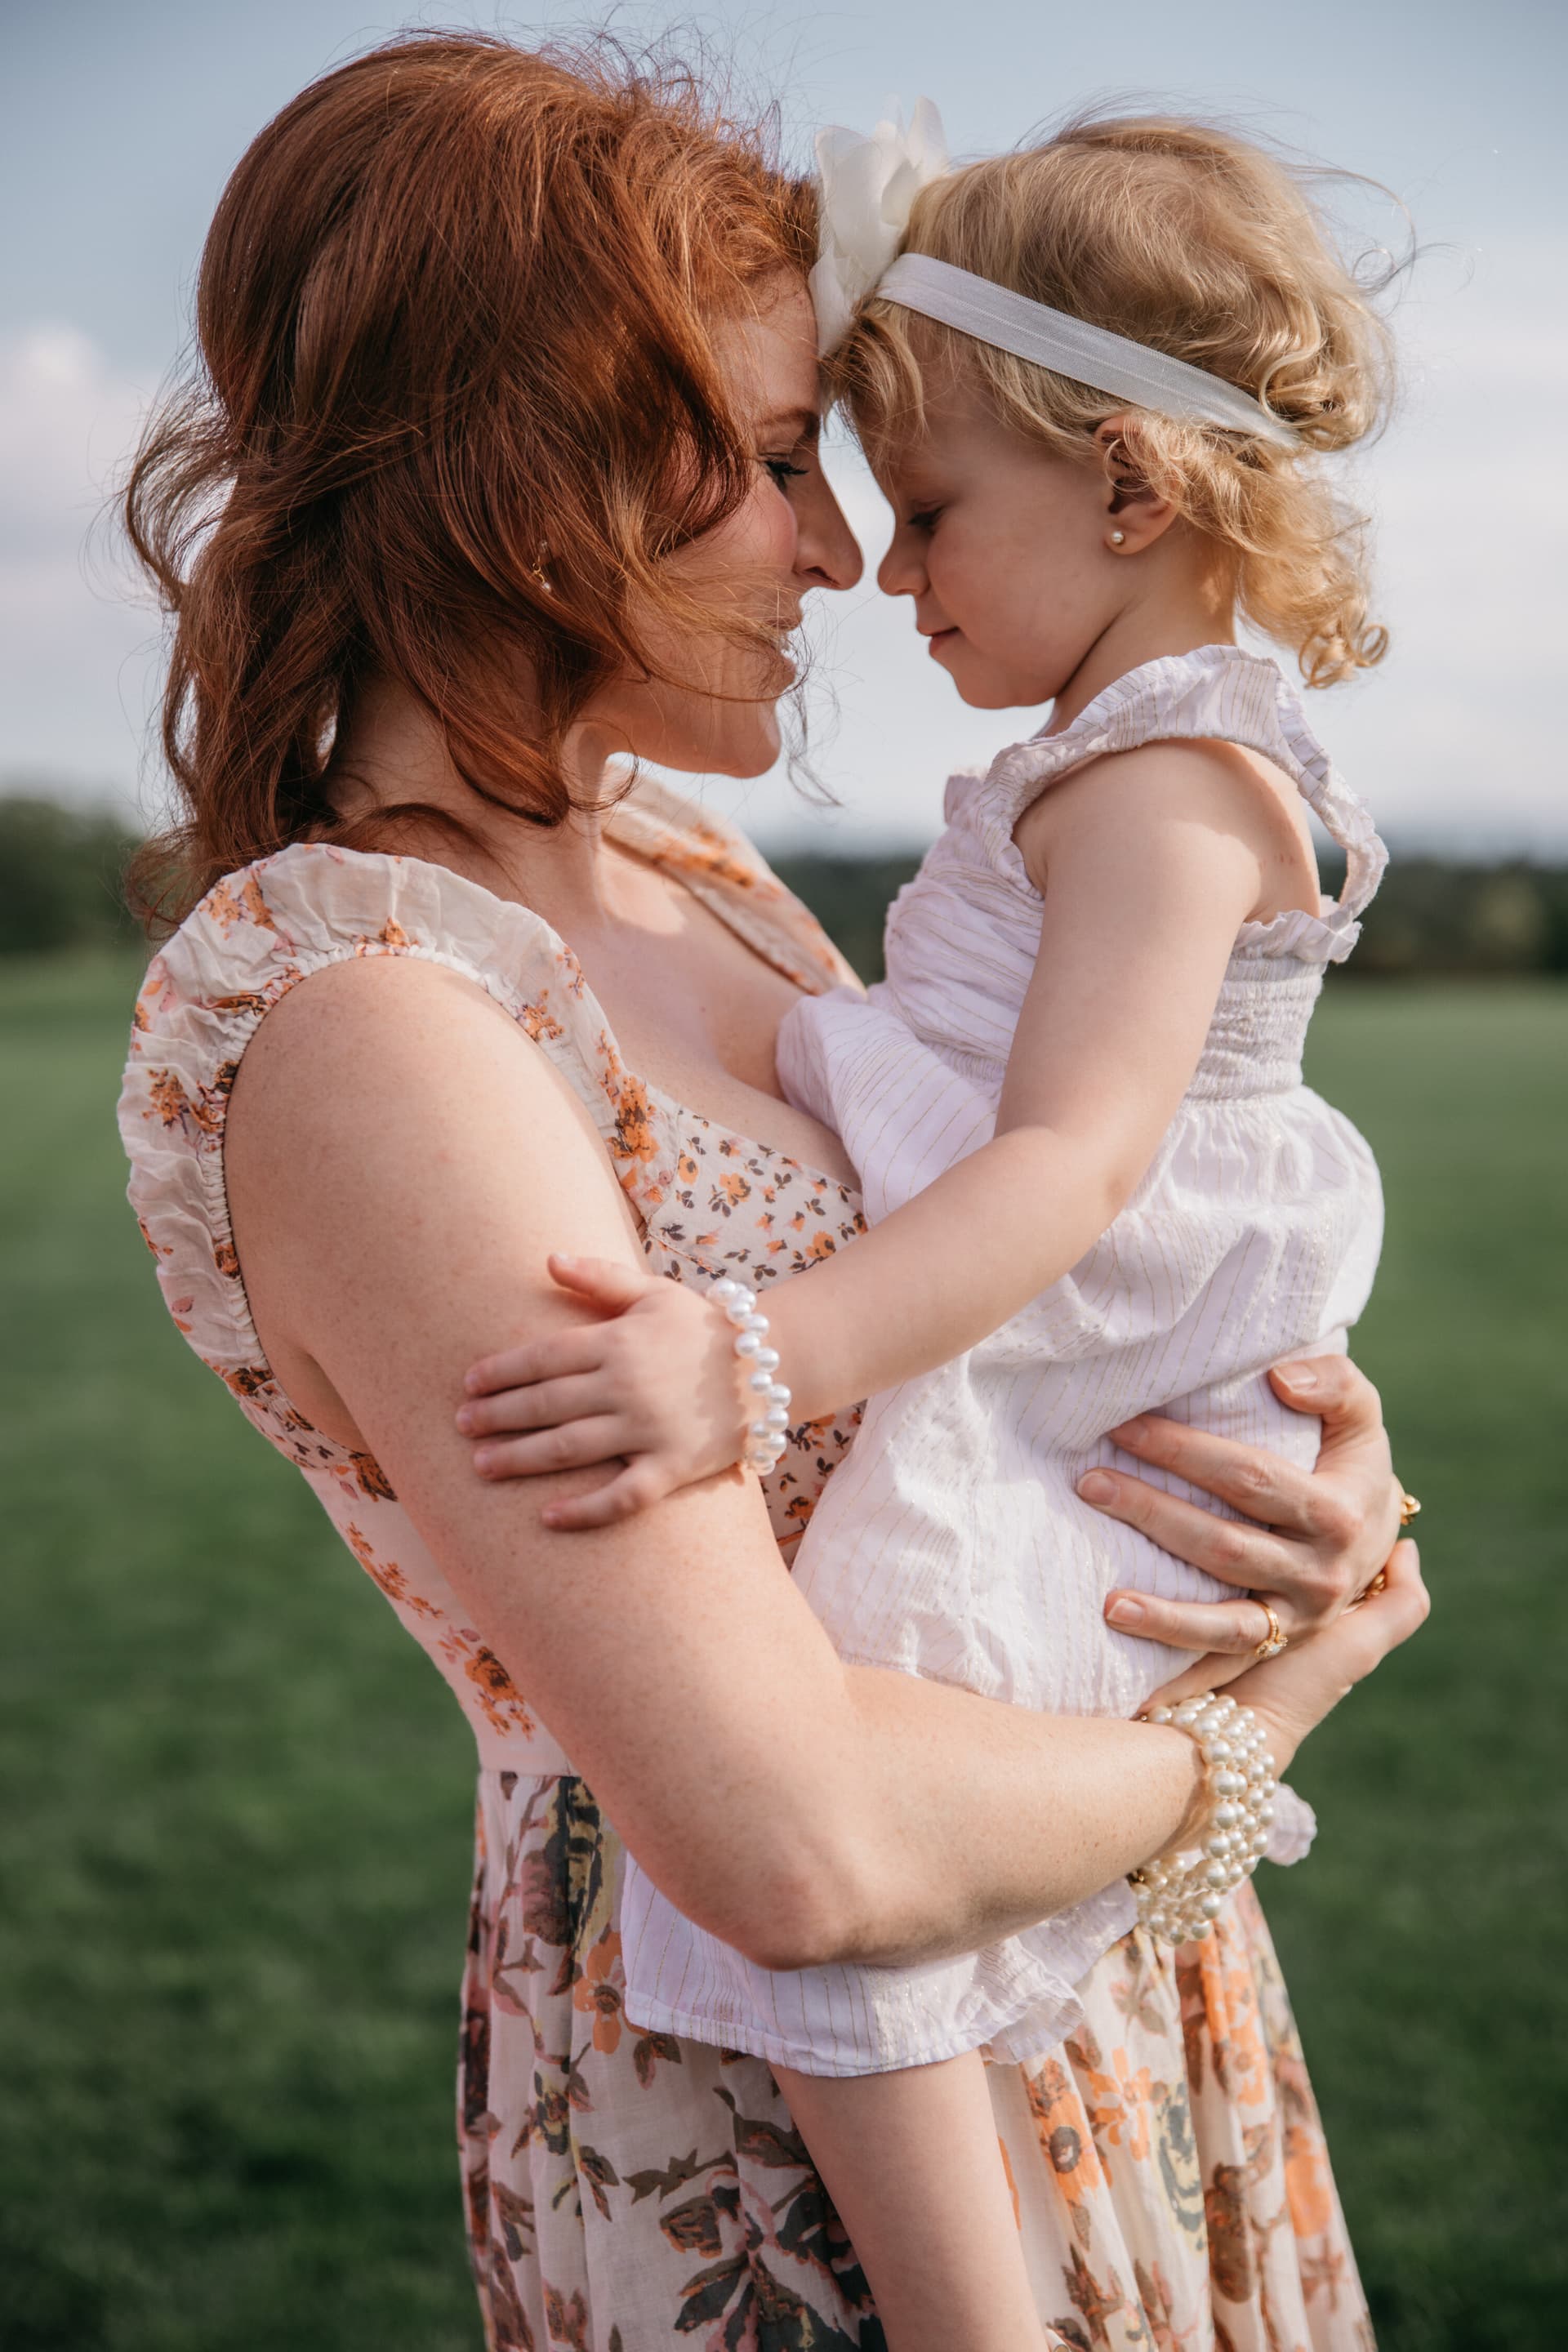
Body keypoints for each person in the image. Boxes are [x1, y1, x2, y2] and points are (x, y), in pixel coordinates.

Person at [116, 36, 1425, 2351]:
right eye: (777, 461)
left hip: (1080, 1951)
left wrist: (1291, 1458)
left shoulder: (702, 878)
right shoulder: (380, 1019)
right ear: (524, 467)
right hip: (765, 2112)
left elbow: (1045, 1260)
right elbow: (795, 1844)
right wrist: (1264, 1722)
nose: (835, 554)